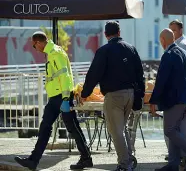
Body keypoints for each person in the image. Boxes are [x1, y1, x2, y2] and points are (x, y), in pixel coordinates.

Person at [14, 31, 92, 170]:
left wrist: (66, 98)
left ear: (38, 42)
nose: (35, 49)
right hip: (55, 98)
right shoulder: (51, 53)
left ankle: (86, 158)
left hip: (62, 97)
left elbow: (65, 77)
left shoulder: (55, 53)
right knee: (45, 127)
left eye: (34, 46)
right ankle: (33, 160)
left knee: (73, 128)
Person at [79, 21, 145, 171]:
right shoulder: (131, 49)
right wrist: (139, 95)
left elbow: (93, 74)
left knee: (116, 131)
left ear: (105, 34)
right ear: (119, 32)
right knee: (122, 129)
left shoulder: (104, 51)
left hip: (114, 95)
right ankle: (129, 158)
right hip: (131, 95)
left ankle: (124, 164)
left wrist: (85, 93)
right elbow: (140, 74)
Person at [149, 28, 186, 171]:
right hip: (184, 98)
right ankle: (173, 163)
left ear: (162, 40)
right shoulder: (184, 53)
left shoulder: (168, 55)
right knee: (174, 129)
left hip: (173, 99)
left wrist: (153, 100)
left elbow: (161, 80)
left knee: (170, 130)